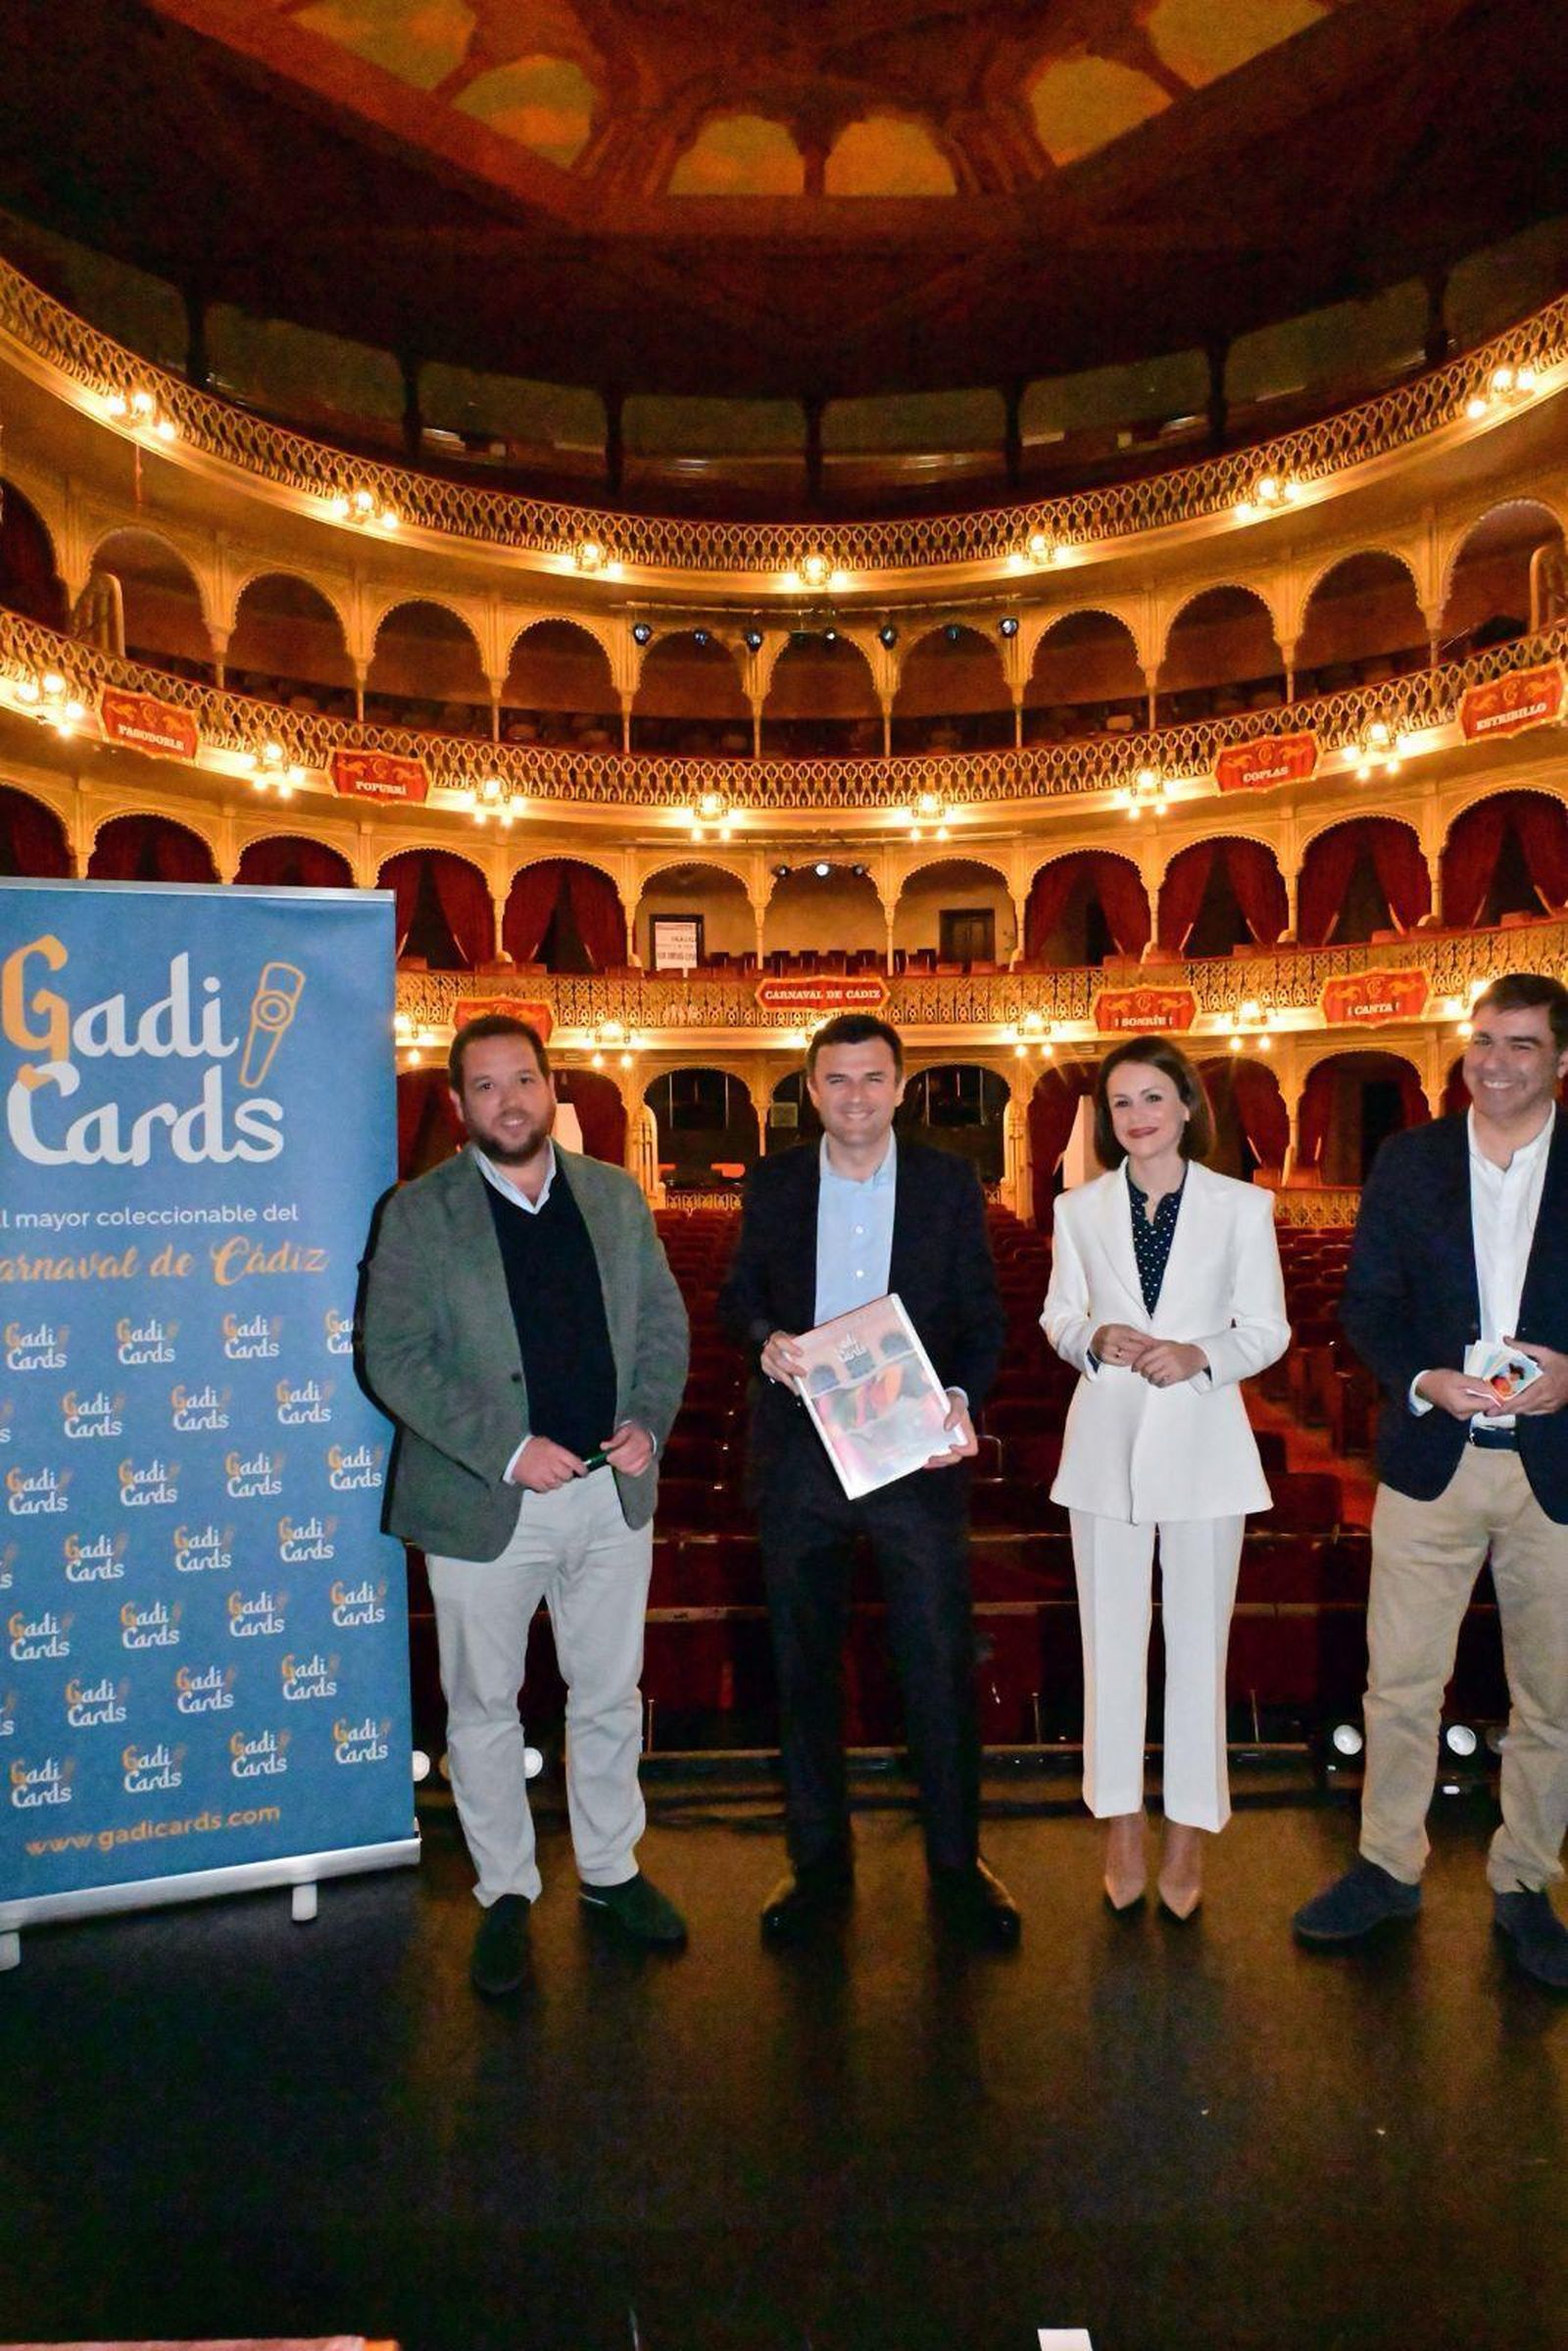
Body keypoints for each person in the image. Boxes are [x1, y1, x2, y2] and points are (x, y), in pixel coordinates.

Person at [361, 1014, 690, 1996]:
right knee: (484, 1703)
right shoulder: (419, 1213)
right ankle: (505, 1889)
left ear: (553, 1089)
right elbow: (393, 1356)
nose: (510, 1100)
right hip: (481, 1502)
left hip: (610, 1494)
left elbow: (661, 1325)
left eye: (524, 1080)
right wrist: (507, 1450)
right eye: (487, 1085)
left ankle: (609, 1868)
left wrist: (647, 1420)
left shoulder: (615, 1194)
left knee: (606, 1693)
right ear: (460, 1105)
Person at [717, 1013, 1018, 1947]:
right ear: (811, 1091)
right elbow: (740, 1297)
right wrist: (763, 1341)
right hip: (801, 1456)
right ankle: (817, 1866)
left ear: (900, 1086)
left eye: (871, 1078)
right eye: (836, 1080)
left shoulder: (946, 1183)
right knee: (803, 1670)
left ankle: (956, 1866)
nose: (854, 1096)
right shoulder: (771, 1183)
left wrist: (957, 1400)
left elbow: (981, 1316)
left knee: (936, 1666)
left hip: (910, 1456)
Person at [1294, 973, 1568, 1989]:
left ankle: (1525, 1880)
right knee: (1400, 1680)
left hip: (1557, 1468)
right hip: (1431, 1460)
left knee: (1555, 1696)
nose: (1495, 1061)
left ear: (1559, 1061)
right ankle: (1384, 1864)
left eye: (1523, 1044)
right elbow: (1367, 1303)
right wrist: (1421, 1377)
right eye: (1484, 1039)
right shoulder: (1408, 1161)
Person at [1041, 1038, 1289, 1919]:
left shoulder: (1240, 1207)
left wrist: (1201, 1354)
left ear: (1186, 1105)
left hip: (1205, 1450)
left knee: (1196, 1649)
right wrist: (1089, 1337)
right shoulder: (1078, 1208)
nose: (1138, 1116)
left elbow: (1267, 1330)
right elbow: (1058, 1313)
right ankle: (1121, 1825)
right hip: (1104, 1448)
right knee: (1108, 1648)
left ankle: (1187, 1833)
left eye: (1153, 1097)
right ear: (1107, 1121)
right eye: (1120, 1103)